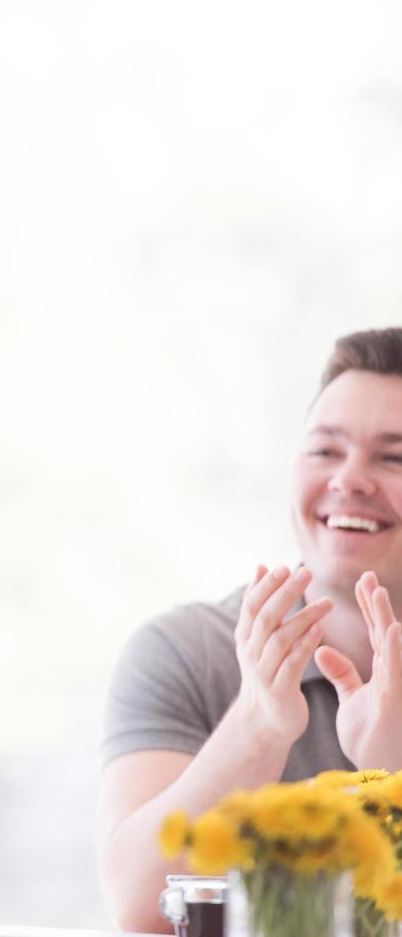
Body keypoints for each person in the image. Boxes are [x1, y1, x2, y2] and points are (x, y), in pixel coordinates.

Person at [98, 327, 402, 932]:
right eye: (325, 450)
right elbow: (140, 912)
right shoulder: (185, 652)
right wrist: (259, 726)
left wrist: (393, 771)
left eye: (394, 456)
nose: (350, 479)